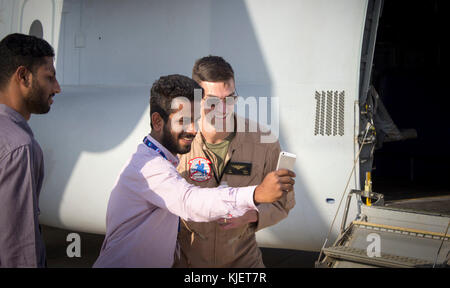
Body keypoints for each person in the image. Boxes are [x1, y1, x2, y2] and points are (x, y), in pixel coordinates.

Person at [93, 74, 295, 268]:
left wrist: (254, 215)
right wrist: (256, 194)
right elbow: (189, 202)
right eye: (182, 121)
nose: (193, 129)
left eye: (195, 119)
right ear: (157, 121)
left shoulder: (166, 159)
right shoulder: (150, 167)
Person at [173, 56, 296, 268]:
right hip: (188, 262)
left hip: (243, 263)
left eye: (229, 99)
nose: (222, 109)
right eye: (212, 101)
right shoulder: (177, 142)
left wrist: (254, 215)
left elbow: (283, 202)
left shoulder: (263, 142)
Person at [0, 33, 61, 268]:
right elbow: (18, 246)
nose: (57, 88)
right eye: (49, 78)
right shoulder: (19, 147)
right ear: (23, 76)